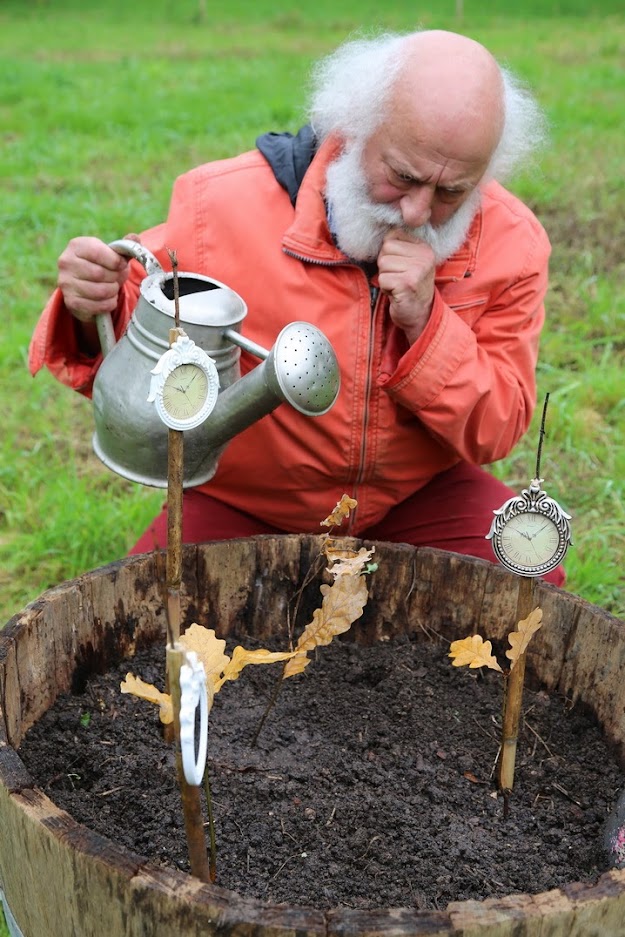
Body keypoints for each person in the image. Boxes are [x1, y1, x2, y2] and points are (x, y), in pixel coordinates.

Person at [29, 29, 564, 585]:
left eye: (453, 191)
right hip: (246, 503)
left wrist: (428, 325)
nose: (416, 212)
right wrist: (91, 303)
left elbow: (496, 430)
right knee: (149, 608)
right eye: (402, 176)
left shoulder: (512, 243)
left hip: (416, 501)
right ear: (354, 127)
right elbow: (130, 345)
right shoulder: (220, 208)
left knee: (528, 590)